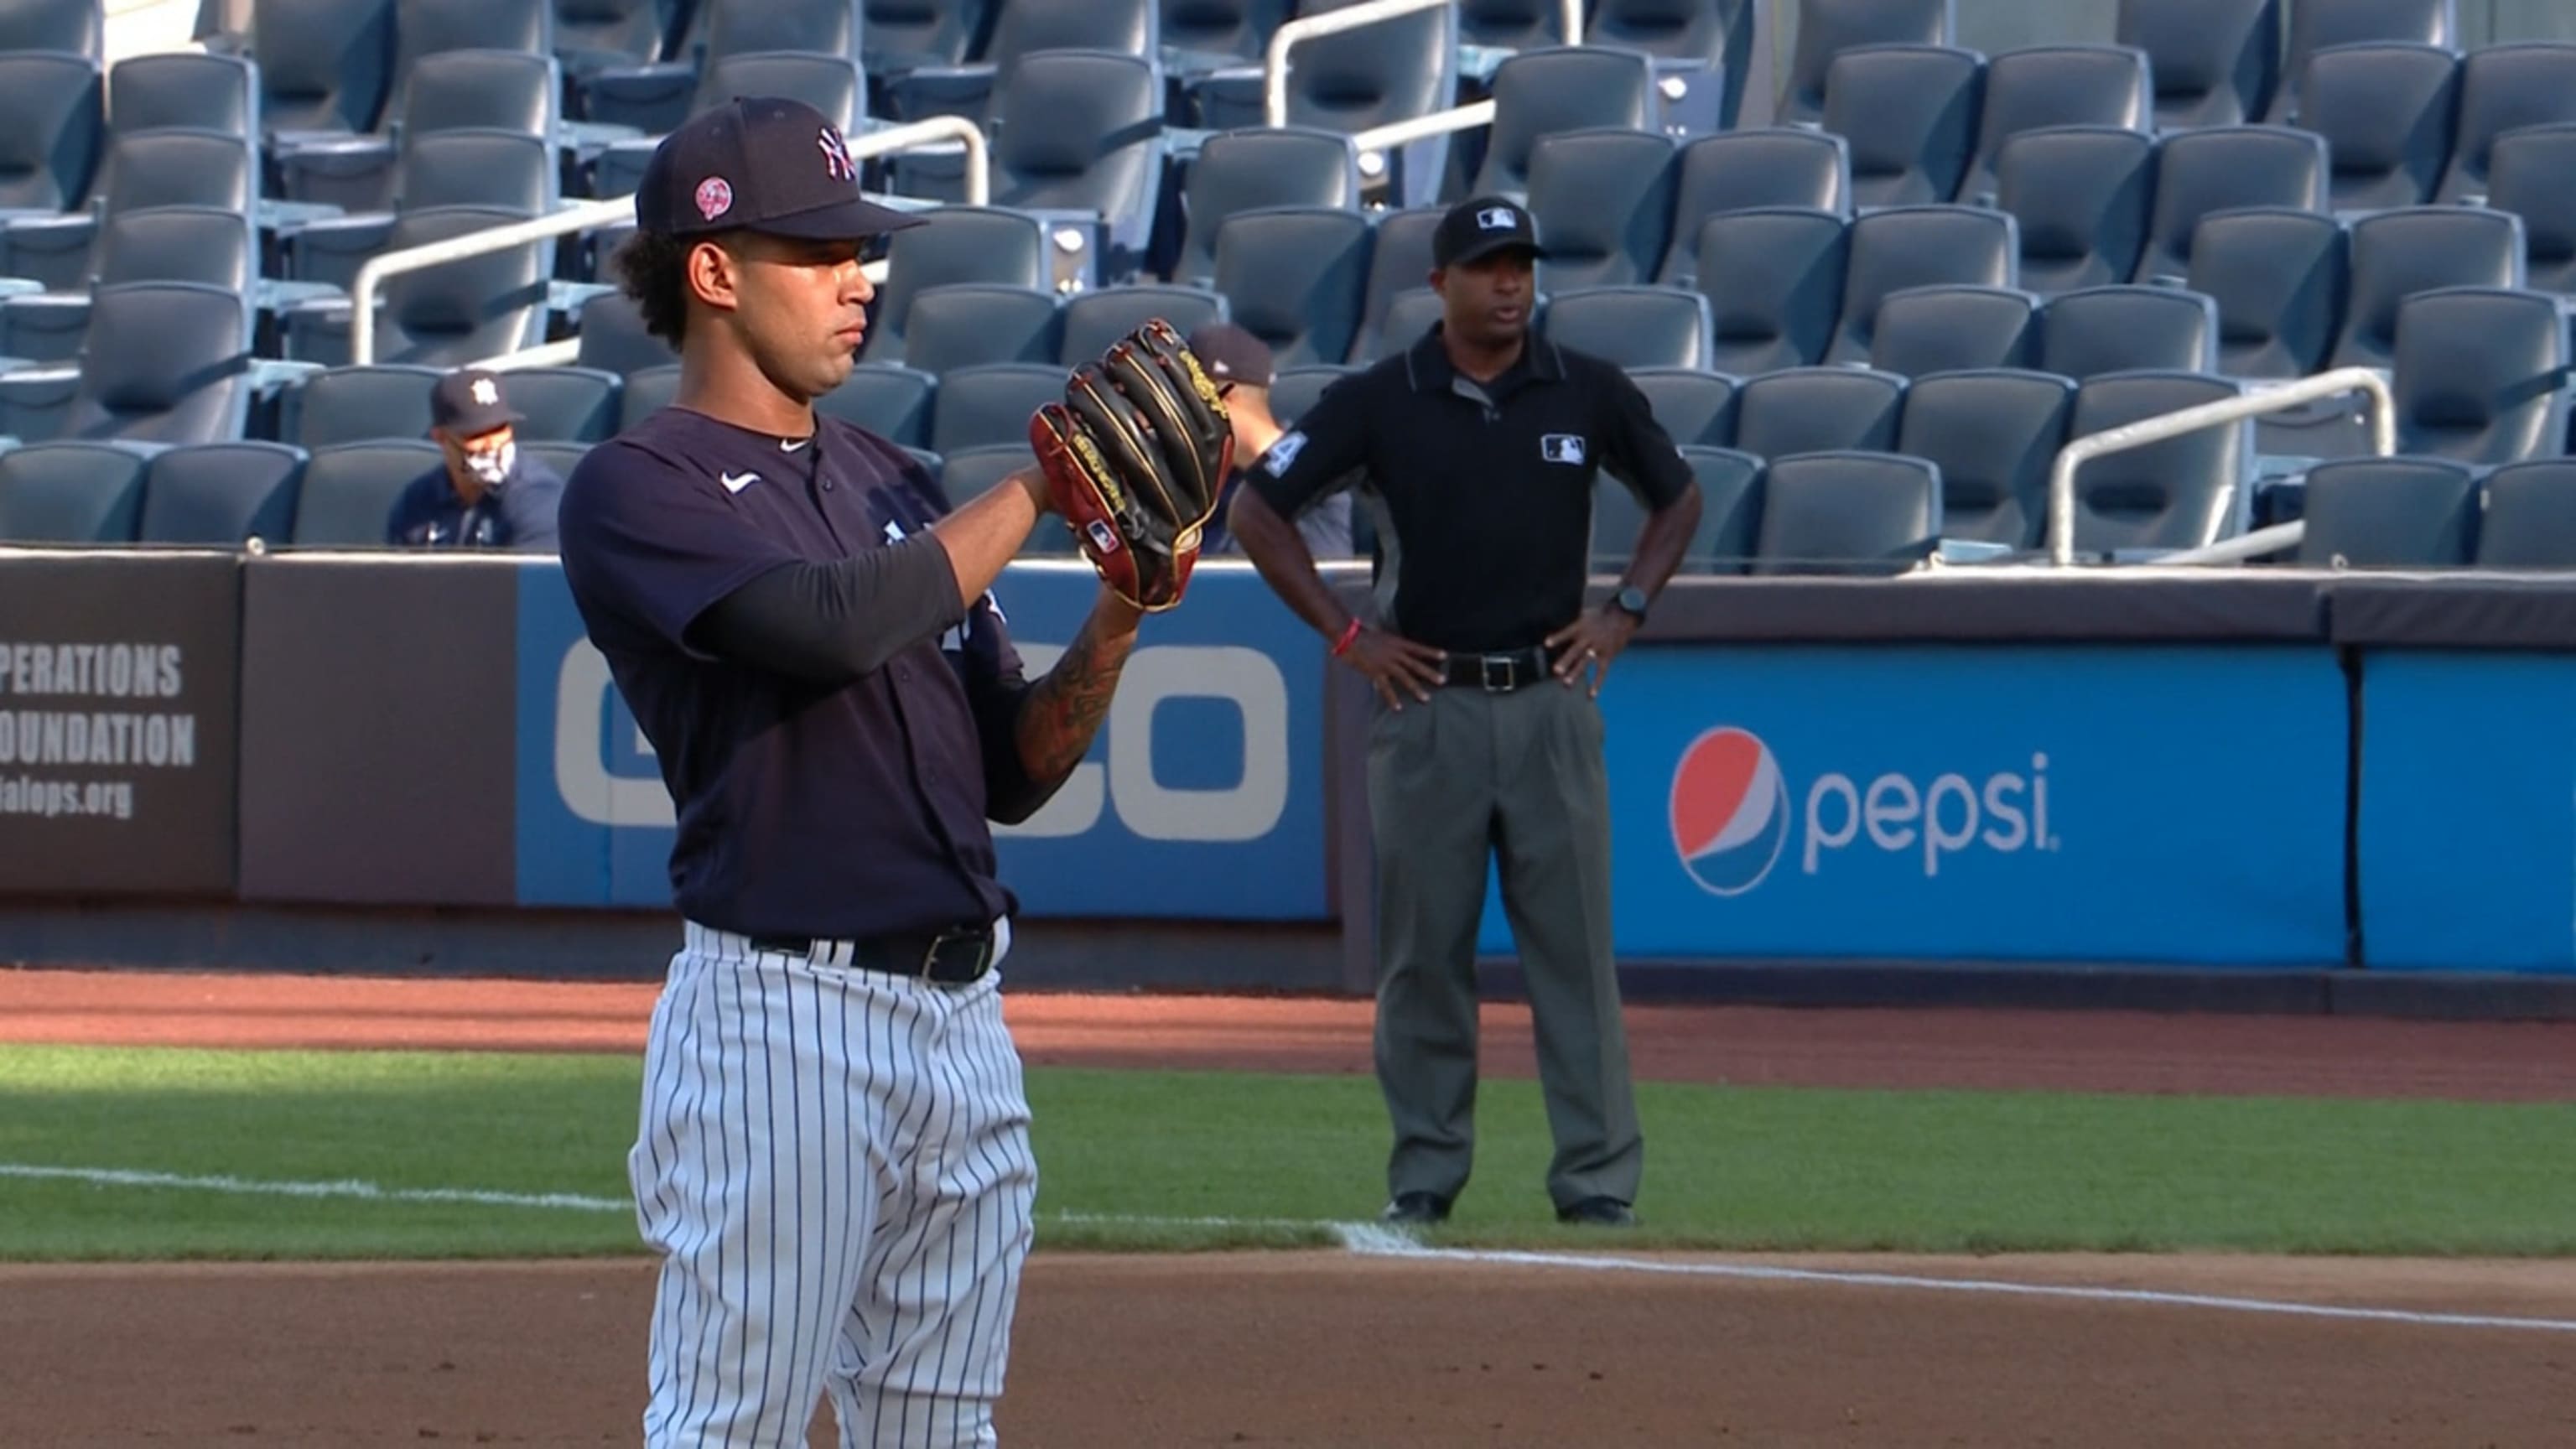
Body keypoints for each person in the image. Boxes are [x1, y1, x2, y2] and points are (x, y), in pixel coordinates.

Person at [553, 96, 1158, 1446]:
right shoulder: (635, 484)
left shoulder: (892, 478)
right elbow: (821, 630)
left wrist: (1122, 607)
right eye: (819, 254)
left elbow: (1015, 770)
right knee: (738, 1423)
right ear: (713, 271)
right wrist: (1043, 490)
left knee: (942, 1430)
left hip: (963, 1016)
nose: (858, 280)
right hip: (785, 1018)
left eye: (860, 250)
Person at [1226, 196, 1705, 1231]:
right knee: (1421, 958)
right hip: (1427, 704)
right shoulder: (1381, 400)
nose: (1511, 284)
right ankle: (1425, 1175)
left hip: (1549, 700)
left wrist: (1623, 611)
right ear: (1440, 283)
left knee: (1574, 956)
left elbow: (1680, 495)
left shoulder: (1588, 391)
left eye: (1523, 264)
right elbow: (1257, 507)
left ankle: (1598, 1184)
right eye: (1488, 266)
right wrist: (1349, 636)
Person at [1185, 322, 1354, 558]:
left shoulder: (1312, 469)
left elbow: (1322, 578)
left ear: (1226, 399)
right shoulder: (1201, 483)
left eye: (1186, 403)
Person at [383, 366, 564, 550]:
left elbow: (527, 577)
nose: (491, 444)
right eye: (475, 435)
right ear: (440, 437)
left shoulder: (540, 498)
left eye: (498, 430)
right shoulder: (416, 503)